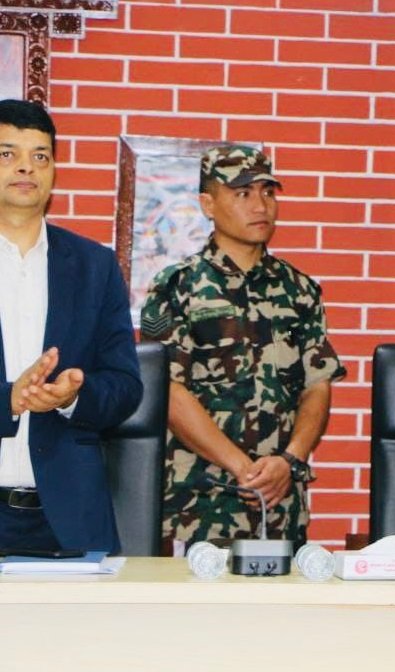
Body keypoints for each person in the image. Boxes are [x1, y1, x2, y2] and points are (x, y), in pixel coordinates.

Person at [140, 145, 345, 545]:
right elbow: (169, 392)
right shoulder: (176, 286)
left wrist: (289, 460)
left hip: (279, 501)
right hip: (199, 503)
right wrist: (244, 469)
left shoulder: (299, 289)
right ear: (208, 204)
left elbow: (317, 385)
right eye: (242, 193)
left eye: (268, 192)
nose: (260, 206)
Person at [0, 99, 142, 553]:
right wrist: (9, 399)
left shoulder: (94, 266)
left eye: (40, 156)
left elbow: (125, 386)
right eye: (8, 154)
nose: (26, 167)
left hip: (70, 519)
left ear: (54, 170)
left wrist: (73, 397)